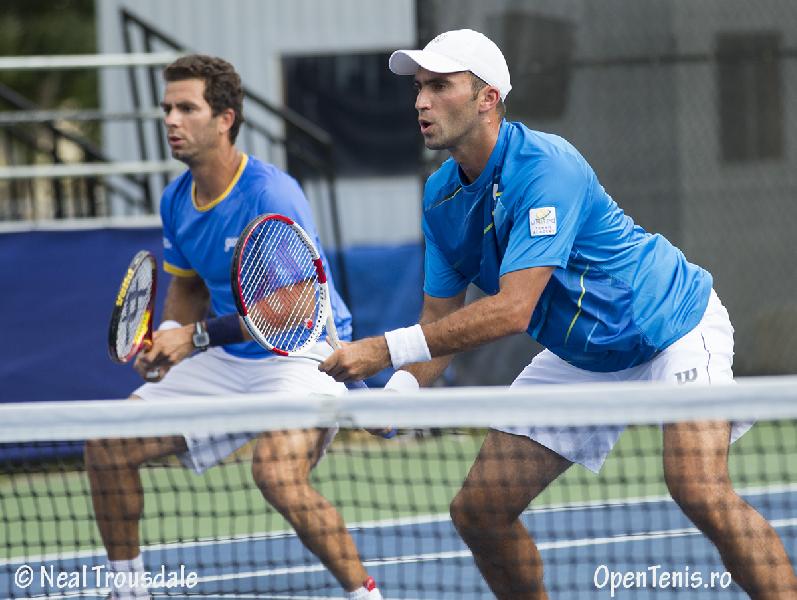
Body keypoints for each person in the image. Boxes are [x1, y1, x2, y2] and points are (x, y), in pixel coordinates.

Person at [318, 29, 797, 599]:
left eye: (439, 86)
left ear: (487, 98)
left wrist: (382, 350)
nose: (420, 101)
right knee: (480, 511)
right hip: (583, 354)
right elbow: (437, 324)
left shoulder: (547, 166)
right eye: (418, 88)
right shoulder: (441, 197)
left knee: (696, 485)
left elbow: (514, 310)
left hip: (670, 323)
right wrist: (399, 391)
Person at [84, 55, 382, 600]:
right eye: (167, 108)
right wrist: (171, 333)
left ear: (224, 119)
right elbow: (192, 285)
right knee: (106, 443)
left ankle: (366, 595)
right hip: (229, 355)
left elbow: (292, 308)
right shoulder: (177, 198)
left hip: (302, 353)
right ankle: (128, 590)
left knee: (276, 475)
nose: (171, 120)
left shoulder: (272, 194)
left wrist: (193, 338)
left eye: (187, 108)